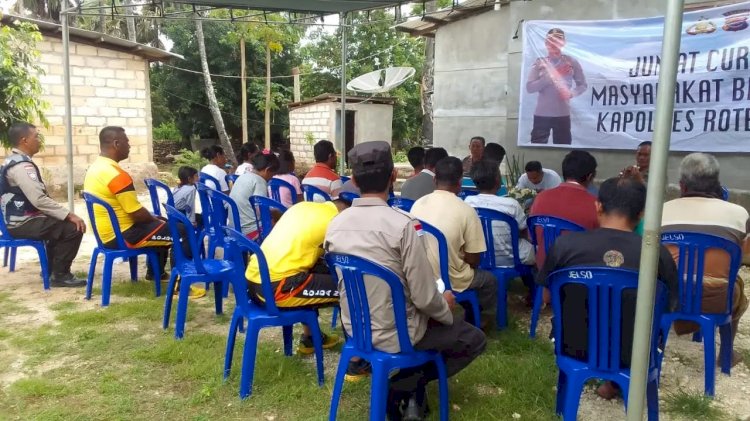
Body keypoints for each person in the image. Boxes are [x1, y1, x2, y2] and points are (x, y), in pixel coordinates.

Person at [325, 141, 485, 420]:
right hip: (401, 333)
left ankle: (409, 391)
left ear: (352, 180)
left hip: (356, 328)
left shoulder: (336, 224)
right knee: (471, 337)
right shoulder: (403, 225)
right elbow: (425, 298)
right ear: (393, 177)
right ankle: (402, 386)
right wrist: (445, 306)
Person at [537, 177, 678, 399]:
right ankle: (617, 383)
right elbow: (668, 307)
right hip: (637, 352)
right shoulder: (657, 254)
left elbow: (547, 296)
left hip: (573, 347)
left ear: (598, 206)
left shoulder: (566, 245)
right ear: (641, 214)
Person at [661, 153, 749, 367]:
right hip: (718, 299)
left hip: (668, 299)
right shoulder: (739, 214)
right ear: (717, 183)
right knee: (737, 284)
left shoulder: (662, 211)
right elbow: (739, 257)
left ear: (682, 186)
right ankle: (725, 355)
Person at [245, 199, 350, 355]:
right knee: (351, 289)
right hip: (276, 289)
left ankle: (311, 337)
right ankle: (357, 360)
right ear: (345, 213)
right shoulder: (336, 222)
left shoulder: (302, 207)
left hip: (253, 282)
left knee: (313, 274)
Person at [84, 127, 184, 280]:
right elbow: (136, 213)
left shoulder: (95, 168)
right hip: (123, 235)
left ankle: (156, 273)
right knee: (183, 231)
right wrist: (156, 219)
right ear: (117, 144)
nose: (129, 146)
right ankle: (182, 283)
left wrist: (156, 220)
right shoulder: (116, 175)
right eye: (127, 142)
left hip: (106, 234)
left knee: (161, 225)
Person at [411, 157, 497, 328]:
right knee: (489, 281)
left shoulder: (418, 204)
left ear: (434, 179)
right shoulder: (466, 210)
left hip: (420, 275)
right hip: (451, 279)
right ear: (460, 182)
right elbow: (474, 259)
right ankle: (476, 321)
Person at [0, 122, 86, 287]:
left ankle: (50, 269)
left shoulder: (12, 160)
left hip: (14, 219)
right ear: (24, 140)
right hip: (22, 222)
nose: (39, 140)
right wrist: (70, 214)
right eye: (36, 136)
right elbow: (38, 199)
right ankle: (60, 275)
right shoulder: (22, 166)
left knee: (57, 223)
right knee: (73, 227)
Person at [465, 160, 535, 268]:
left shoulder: (468, 202)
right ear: (498, 181)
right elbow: (524, 232)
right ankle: (533, 281)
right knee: (536, 249)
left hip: (478, 257)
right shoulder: (511, 204)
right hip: (511, 258)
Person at [526, 28, 587, 145]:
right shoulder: (540, 62)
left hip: (563, 114)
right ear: (546, 43)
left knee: (563, 147)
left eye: (559, 39)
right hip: (542, 114)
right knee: (537, 147)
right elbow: (529, 88)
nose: (554, 42)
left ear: (564, 42)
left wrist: (572, 93)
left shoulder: (571, 62)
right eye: (551, 39)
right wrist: (550, 78)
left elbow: (582, 85)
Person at [230, 150, 280, 240]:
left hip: (235, 228)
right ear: (267, 170)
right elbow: (261, 210)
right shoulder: (260, 181)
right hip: (251, 231)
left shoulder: (243, 177)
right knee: (284, 226)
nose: (271, 179)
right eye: (272, 175)